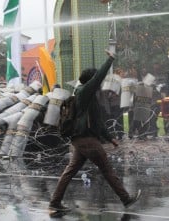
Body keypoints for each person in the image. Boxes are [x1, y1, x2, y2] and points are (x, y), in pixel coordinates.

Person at [48, 50, 141, 211]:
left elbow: (97, 122)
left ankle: (55, 202)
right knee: (107, 169)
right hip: (87, 140)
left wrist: (109, 138)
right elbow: (98, 78)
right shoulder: (84, 92)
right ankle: (126, 199)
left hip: (82, 140)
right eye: (96, 80)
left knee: (70, 172)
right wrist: (110, 59)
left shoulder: (89, 98)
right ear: (91, 81)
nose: (99, 83)